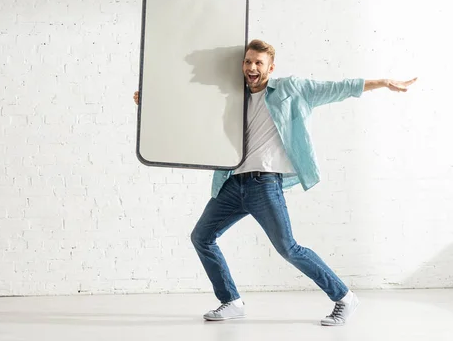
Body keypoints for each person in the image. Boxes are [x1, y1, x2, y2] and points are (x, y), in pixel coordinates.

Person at [133, 39, 417, 326]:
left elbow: (337, 88)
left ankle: (344, 298)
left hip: (264, 185)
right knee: (201, 237)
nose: (252, 67)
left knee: (288, 248)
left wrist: (382, 82)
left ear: (271, 67)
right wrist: (153, 101)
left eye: (258, 62)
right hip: (232, 183)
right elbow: (193, 106)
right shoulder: (233, 95)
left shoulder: (291, 89)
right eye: (247, 62)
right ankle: (231, 300)